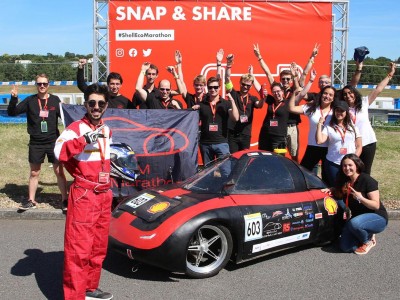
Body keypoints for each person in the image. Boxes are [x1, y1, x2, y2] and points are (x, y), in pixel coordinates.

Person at [54, 83, 113, 300]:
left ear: (106, 105)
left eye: (100, 103)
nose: (96, 107)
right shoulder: (75, 129)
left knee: (98, 247)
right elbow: (59, 152)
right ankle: (74, 296)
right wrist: (82, 141)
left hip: (104, 193)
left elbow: (102, 160)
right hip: (85, 195)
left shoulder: (106, 129)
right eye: (92, 103)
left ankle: (89, 288)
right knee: (79, 249)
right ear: (85, 104)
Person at [7, 74, 68, 211]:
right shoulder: (30, 100)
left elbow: (66, 117)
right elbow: (12, 112)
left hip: (53, 142)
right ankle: (31, 200)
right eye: (39, 84)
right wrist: (14, 98)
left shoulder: (55, 100)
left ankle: (65, 200)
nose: (42, 86)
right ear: (36, 85)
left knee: (59, 171)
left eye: (44, 84)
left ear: (48, 85)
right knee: (34, 172)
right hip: (36, 142)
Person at [340, 62, 397, 174]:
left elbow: (378, 89)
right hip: (352, 144)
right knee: (351, 170)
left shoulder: (364, 102)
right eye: (345, 94)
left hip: (368, 142)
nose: (348, 96)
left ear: (355, 94)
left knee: (365, 171)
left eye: (350, 93)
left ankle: (364, 191)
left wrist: (390, 75)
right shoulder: (342, 109)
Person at [331, 154, 388, 255]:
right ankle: (365, 233)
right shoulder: (345, 181)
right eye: (344, 166)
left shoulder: (367, 180)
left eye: (350, 165)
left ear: (357, 165)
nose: (347, 168)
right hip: (358, 218)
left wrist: (361, 198)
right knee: (345, 247)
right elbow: (339, 195)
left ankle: (368, 240)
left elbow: (376, 205)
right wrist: (329, 190)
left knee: (355, 224)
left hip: (377, 217)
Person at [253, 44, 301, 161]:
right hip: (277, 129)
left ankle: (296, 175)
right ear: (280, 80)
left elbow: (299, 88)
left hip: (291, 126)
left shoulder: (293, 92)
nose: (285, 81)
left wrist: (295, 76)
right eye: (283, 79)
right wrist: (259, 56)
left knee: (294, 154)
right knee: (278, 156)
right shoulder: (275, 91)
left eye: (287, 79)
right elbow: (268, 72)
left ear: (290, 80)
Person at [288, 84, 336, 183]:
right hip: (313, 146)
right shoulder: (312, 108)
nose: (327, 96)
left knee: (328, 177)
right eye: (325, 93)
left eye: (330, 95)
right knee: (305, 175)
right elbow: (291, 108)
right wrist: (294, 93)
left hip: (330, 148)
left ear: (333, 98)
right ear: (321, 94)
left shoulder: (336, 111)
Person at [193, 76, 239, 165]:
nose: (213, 89)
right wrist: (192, 110)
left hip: (221, 143)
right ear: (207, 88)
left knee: (226, 171)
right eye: (210, 87)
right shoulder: (201, 104)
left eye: (215, 87)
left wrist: (232, 101)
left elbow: (236, 118)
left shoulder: (226, 103)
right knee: (208, 173)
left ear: (219, 88)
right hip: (205, 144)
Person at [224, 53, 264, 153]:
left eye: (248, 85)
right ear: (240, 83)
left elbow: (260, 105)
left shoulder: (253, 98)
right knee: (233, 158)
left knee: (244, 158)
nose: (245, 87)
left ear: (251, 86)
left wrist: (263, 97)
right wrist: (229, 64)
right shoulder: (233, 93)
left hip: (246, 134)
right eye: (243, 84)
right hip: (232, 133)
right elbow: (227, 79)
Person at [316, 101, 362, 187]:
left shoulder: (353, 127)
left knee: (350, 187)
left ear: (346, 112)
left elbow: (359, 146)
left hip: (350, 164)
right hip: (333, 163)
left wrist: (354, 160)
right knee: (336, 188)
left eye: (342, 111)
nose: (339, 113)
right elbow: (319, 140)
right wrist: (319, 124)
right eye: (337, 110)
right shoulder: (329, 127)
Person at [258, 82, 290, 152]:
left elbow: (301, 94)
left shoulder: (288, 103)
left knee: (279, 159)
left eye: (278, 91)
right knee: (264, 158)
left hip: (279, 137)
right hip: (265, 136)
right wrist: (252, 75)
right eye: (274, 92)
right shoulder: (271, 100)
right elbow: (259, 89)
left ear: (282, 91)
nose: (276, 94)